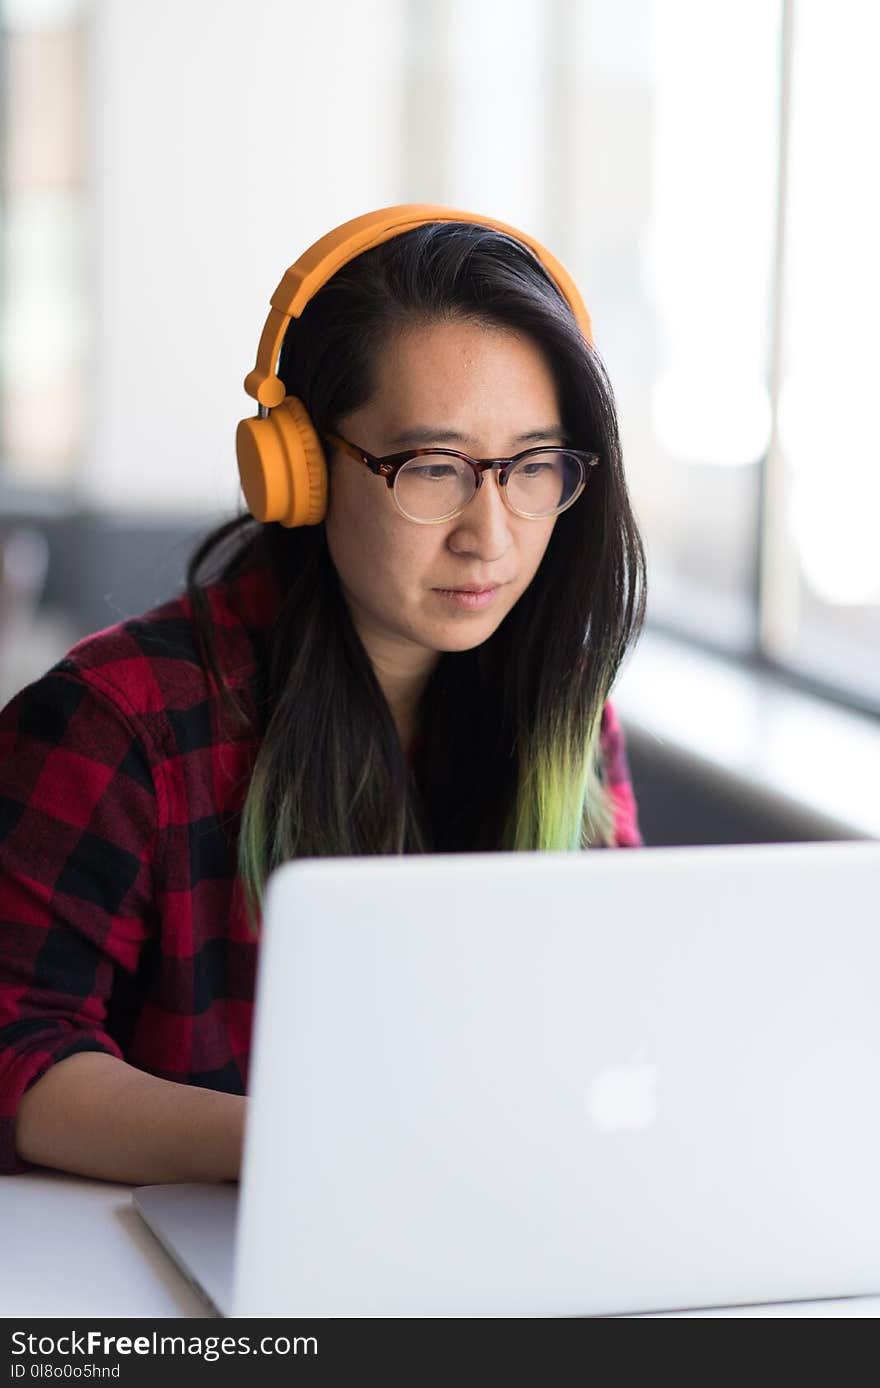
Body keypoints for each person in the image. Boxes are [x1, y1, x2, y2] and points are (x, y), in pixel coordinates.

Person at [0, 204, 647, 1184]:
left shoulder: (563, 715)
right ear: (295, 469)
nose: (491, 533)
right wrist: (317, 1148)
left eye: (531, 467)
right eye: (431, 467)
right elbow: (18, 1047)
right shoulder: (117, 721)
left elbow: (615, 1010)